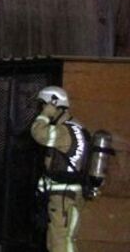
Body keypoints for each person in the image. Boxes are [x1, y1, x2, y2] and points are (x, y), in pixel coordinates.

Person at [30, 86, 89, 252]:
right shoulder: (76, 127)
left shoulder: (65, 131)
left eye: (43, 105)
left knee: (60, 242)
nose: (40, 109)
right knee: (61, 239)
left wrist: (45, 115)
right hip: (67, 195)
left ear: (53, 103)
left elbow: (38, 134)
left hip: (64, 196)